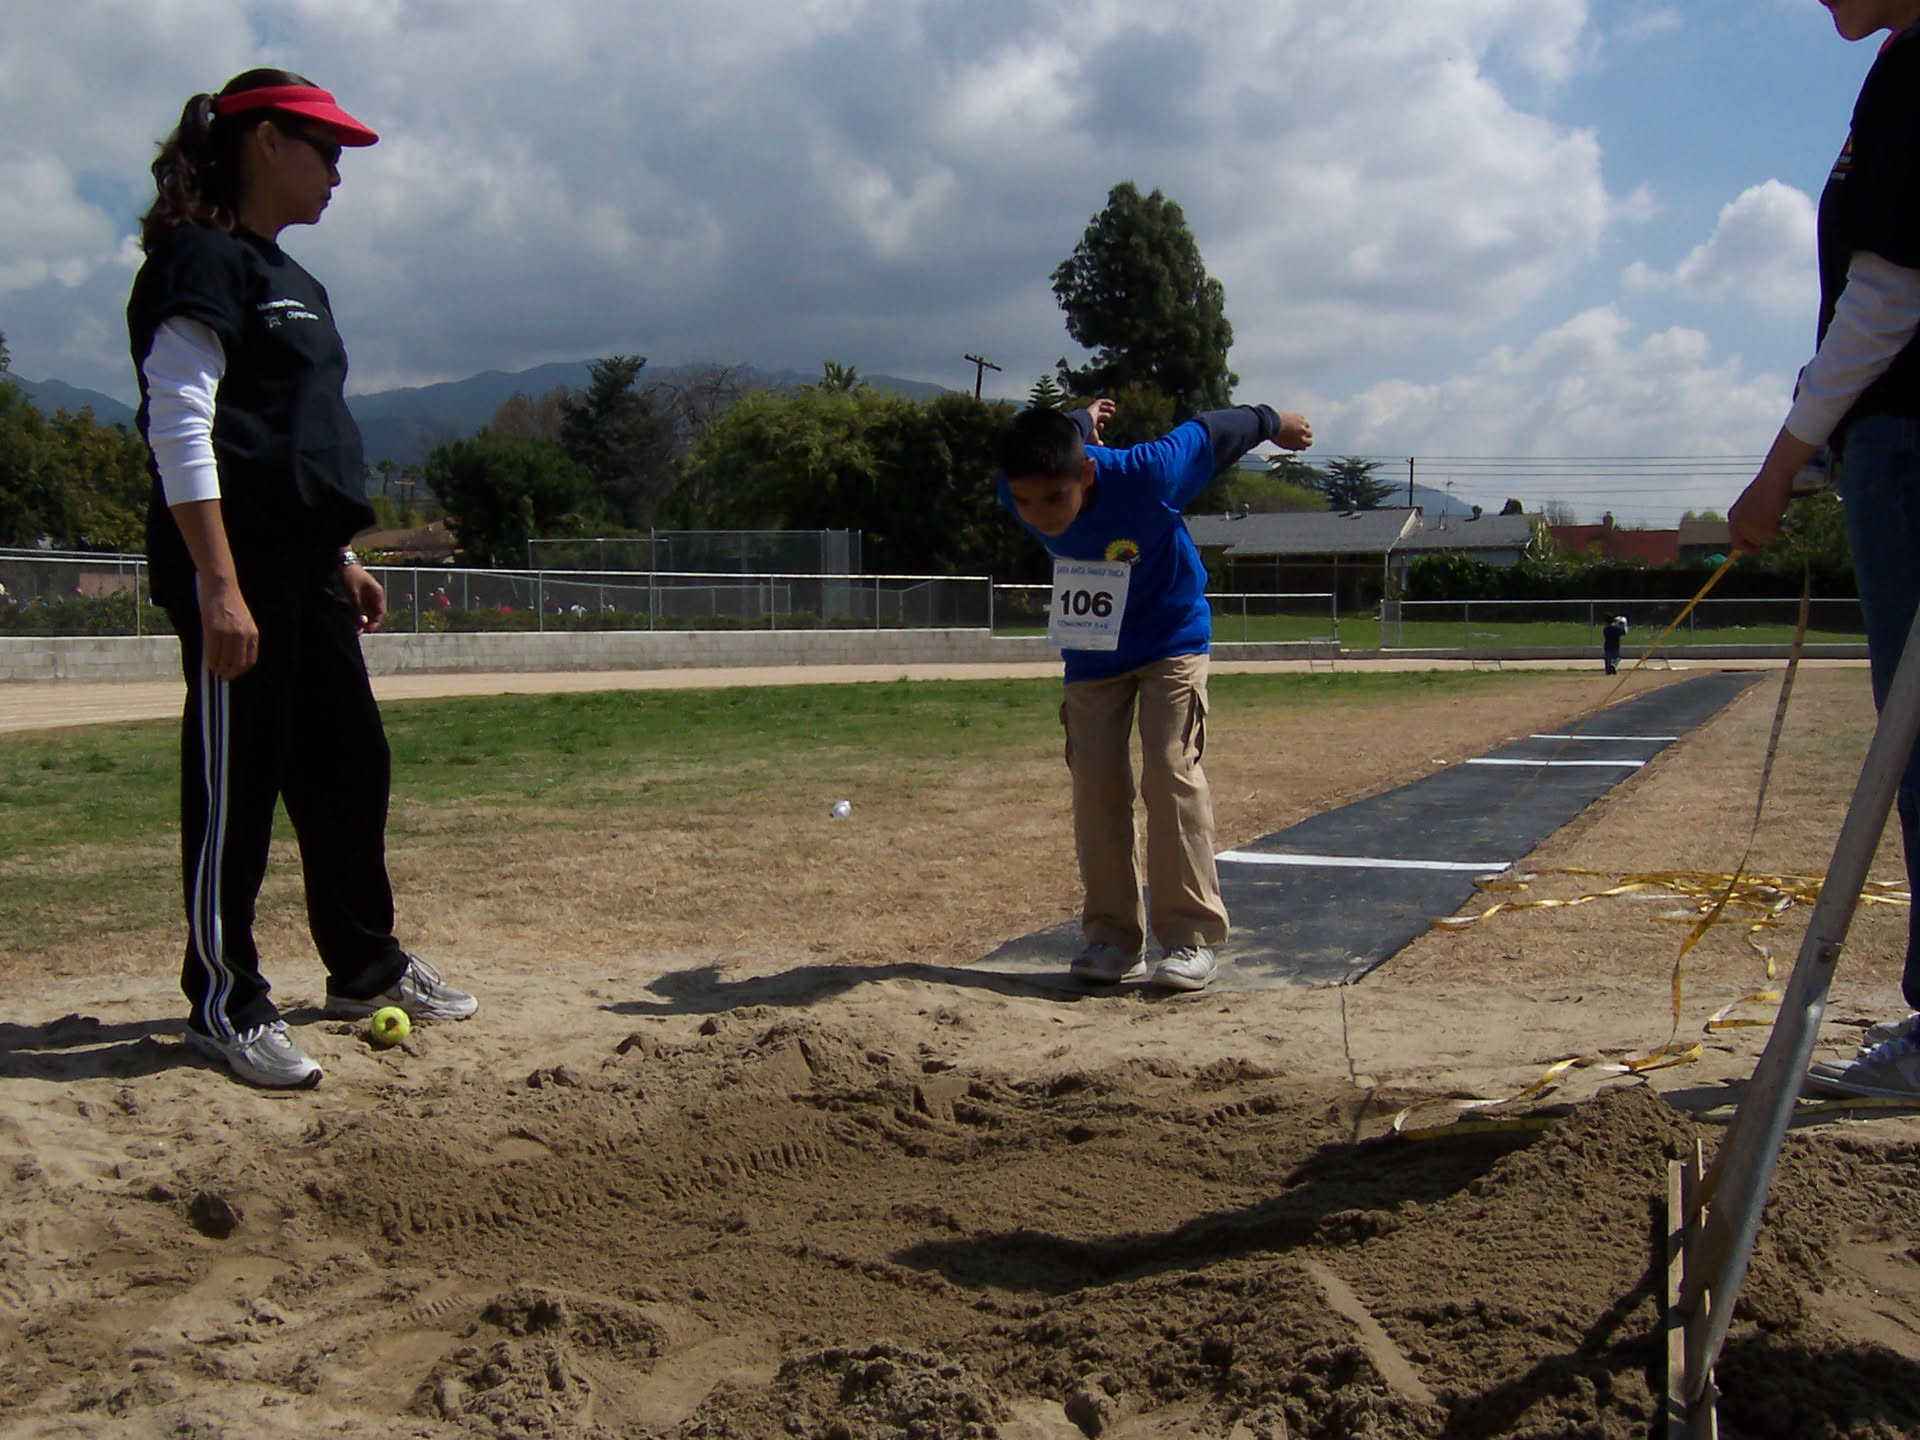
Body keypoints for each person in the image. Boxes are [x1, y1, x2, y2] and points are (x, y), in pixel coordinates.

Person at [129, 69, 477, 1090]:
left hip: (305, 568)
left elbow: (292, 441)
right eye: (324, 150)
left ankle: (365, 967)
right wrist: (219, 585)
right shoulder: (198, 260)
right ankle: (223, 999)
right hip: (235, 565)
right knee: (236, 786)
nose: (337, 172)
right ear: (266, 142)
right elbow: (180, 424)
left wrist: (340, 557)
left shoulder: (298, 283)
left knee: (350, 766)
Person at [1728, 1, 1920, 1098]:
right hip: (1882, 441)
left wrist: (1779, 463)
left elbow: (1887, 295)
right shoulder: (1895, 69)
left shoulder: (1914, 71)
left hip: (1907, 444)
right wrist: (1820, 450)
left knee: (1917, 737)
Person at [1000, 396, 1313, 991]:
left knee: (1170, 768)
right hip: (1094, 646)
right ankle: (1113, 939)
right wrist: (1081, 418)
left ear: (1086, 472)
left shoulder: (1148, 473)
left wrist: (1274, 423)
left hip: (1171, 634)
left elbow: (1211, 431)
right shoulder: (1018, 480)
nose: (1040, 516)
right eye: (1025, 502)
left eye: (1055, 499)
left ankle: (1191, 937)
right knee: (1095, 784)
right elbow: (1057, 440)